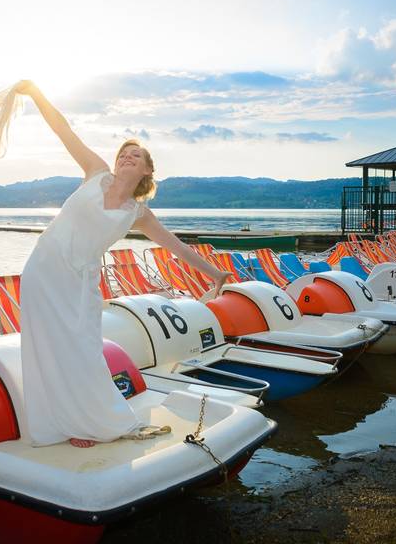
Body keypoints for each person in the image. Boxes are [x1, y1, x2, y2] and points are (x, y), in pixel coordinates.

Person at [13, 80, 232, 448]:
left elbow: (177, 247)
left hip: (80, 280)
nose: (126, 157)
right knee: (46, 344)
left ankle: (86, 420)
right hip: (45, 267)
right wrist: (36, 94)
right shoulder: (95, 172)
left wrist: (214, 273)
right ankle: (63, 422)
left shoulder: (139, 213)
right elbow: (62, 128)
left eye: (135, 155)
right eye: (123, 154)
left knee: (83, 347)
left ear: (147, 170)